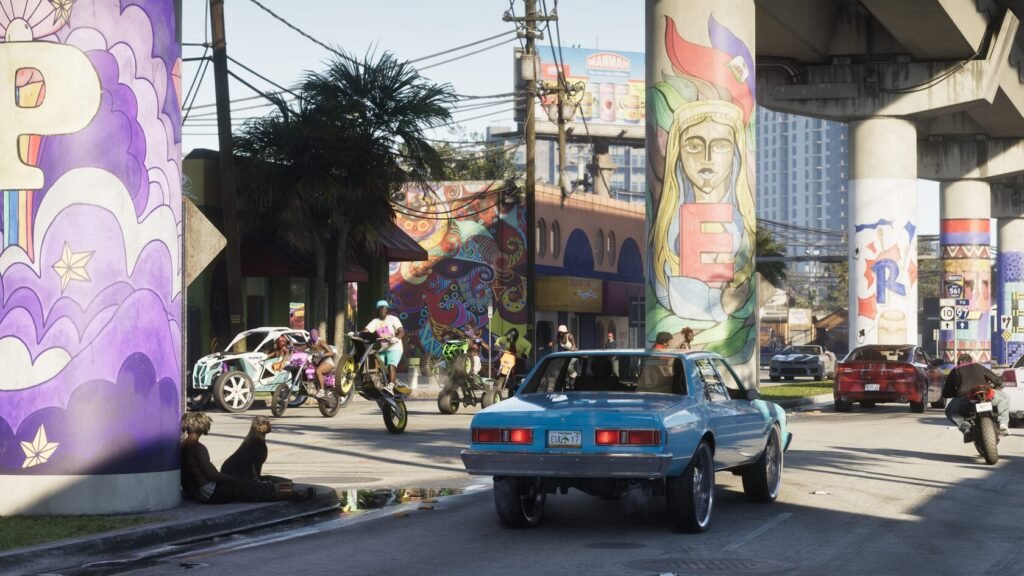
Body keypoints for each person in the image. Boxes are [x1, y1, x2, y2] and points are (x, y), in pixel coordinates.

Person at [180, 412, 313, 504]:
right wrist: (232, 479)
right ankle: (293, 494)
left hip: (198, 492)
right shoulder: (198, 447)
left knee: (247, 486)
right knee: (252, 489)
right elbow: (212, 475)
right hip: (210, 493)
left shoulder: (183, 445)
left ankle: (290, 490)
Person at [943, 352, 1010, 437]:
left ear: (958, 363)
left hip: (964, 398)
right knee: (1005, 398)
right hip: (985, 393)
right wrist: (998, 385)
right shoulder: (977, 366)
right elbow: (997, 380)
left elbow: (946, 392)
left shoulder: (955, 370)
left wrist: (955, 393)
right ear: (971, 361)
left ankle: (966, 428)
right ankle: (1003, 424)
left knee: (949, 411)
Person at [365, 300, 410, 394]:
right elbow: (366, 331)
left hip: (394, 347)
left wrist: (396, 338)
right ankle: (385, 384)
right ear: (377, 311)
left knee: (391, 364)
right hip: (382, 349)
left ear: (387, 310)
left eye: (384, 309)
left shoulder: (393, 319)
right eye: (380, 309)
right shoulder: (375, 321)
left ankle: (390, 386)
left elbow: (401, 331)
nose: (382, 311)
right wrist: (357, 334)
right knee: (380, 368)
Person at [304, 328, 335, 399]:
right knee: (307, 370)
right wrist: (293, 347)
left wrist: (323, 354)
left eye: (315, 334)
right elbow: (302, 347)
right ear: (310, 335)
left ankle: (322, 390)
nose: (313, 335)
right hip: (317, 363)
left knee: (318, 371)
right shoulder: (309, 343)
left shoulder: (321, 343)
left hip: (327, 362)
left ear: (318, 335)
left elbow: (331, 352)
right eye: (312, 334)